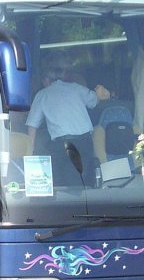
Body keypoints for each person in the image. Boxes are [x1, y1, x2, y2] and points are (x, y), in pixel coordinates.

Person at [26, 52, 110, 185]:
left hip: (62, 146)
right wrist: (102, 93)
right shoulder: (77, 88)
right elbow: (94, 101)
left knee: (65, 187)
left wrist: (29, 154)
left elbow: (32, 126)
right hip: (86, 142)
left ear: (46, 79)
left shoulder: (42, 95)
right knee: (83, 183)